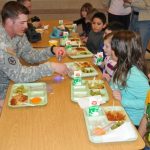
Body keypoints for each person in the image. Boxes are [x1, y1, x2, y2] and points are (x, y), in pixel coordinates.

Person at [0, 1, 68, 108]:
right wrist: (50, 67)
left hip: (13, 86)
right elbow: (19, 75)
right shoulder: (2, 44)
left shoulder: (18, 34)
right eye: (22, 22)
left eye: (26, 22)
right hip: (3, 94)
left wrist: (51, 50)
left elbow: (30, 55)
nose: (26, 26)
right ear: (9, 22)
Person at [110, 30, 150, 127]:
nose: (110, 50)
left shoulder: (134, 75)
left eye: (113, 48)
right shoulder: (122, 66)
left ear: (121, 52)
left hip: (131, 121)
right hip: (119, 112)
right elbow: (116, 85)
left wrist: (123, 100)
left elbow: (146, 103)